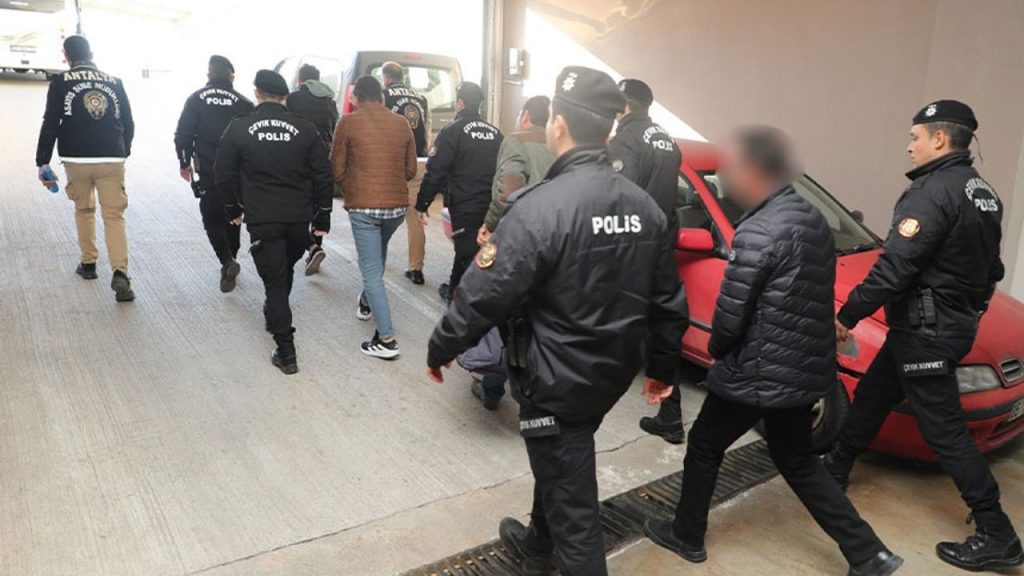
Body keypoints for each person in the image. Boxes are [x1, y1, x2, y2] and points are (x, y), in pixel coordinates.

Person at [426, 66, 688, 576]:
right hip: (610, 374)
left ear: (560, 126)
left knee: (576, 511)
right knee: (562, 456)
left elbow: (483, 294)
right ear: (607, 131)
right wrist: (662, 368)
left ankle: (554, 547)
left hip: (554, 379)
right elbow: (668, 300)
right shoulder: (645, 207)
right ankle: (538, 544)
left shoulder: (538, 208)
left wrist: (442, 348)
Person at [643, 126, 902, 576]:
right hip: (801, 370)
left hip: (756, 370)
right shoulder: (812, 219)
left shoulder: (759, 230)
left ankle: (687, 535)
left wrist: (719, 352)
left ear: (756, 171)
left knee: (704, 444)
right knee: (798, 459)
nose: (727, 182)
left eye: (732, 172)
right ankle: (870, 553)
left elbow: (731, 313)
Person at [828, 100, 1021, 572]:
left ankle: (997, 533)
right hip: (933, 326)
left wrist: (848, 314)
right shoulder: (982, 192)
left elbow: (895, 267)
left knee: (946, 432)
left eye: (915, 137)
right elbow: (991, 268)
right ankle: (835, 468)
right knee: (874, 394)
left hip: (926, 332)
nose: (909, 146)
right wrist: (966, 311)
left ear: (939, 138)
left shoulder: (931, 193)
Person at [215, 70, 333, 375]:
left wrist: (231, 209)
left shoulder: (239, 127)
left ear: (257, 93)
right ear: (285, 96)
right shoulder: (305, 128)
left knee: (276, 285)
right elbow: (323, 174)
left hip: (263, 219)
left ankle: (286, 351)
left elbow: (223, 173)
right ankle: (276, 314)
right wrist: (323, 214)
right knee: (282, 273)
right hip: (297, 221)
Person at [609, 78, 686, 445]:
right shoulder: (666, 139)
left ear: (624, 104)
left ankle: (592, 395)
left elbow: (620, 201)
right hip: (661, 244)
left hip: (634, 248)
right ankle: (670, 413)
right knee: (660, 327)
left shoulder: (626, 140)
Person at [469, 94, 555, 410]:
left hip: (520, 240)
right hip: (556, 242)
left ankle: (493, 388)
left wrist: (489, 224)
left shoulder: (517, 141)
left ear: (526, 115)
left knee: (504, 314)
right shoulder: (562, 146)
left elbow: (507, 191)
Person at [36, 35, 136, 302]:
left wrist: (42, 161)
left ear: (66, 56)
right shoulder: (114, 82)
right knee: (114, 215)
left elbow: (51, 123)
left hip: (76, 158)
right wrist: (122, 150)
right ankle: (120, 273)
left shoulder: (60, 82)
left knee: (84, 209)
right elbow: (128, 122)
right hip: (111, 157)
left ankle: (89, 263)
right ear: (91, 53)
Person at [330, 75, 417, 359]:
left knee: (370, 270)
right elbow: (410, 170)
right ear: (382, 97)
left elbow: (336, 168)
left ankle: (386, 340)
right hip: (396, 207)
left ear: (355, 98)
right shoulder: (401, 123)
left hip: (364, 208)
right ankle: (367, 303)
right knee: (377, 255)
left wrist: (351, 186)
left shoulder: (347, 122)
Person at [415, 82, 502, 304]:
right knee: (477, 250)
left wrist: (422, 204)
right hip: (493, 205)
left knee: (466, 252)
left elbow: (435, 171)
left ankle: (459, 300)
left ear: (460, 102)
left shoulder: (452, 131)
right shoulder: (496, 134)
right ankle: (457, 291)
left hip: (465, 204)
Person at [174, 55, 254, 293]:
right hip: (238, 171)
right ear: (232, 77)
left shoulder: (196, 99)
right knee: (233, 214)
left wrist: (184, 162)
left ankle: (227, 261)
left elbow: (183, 134)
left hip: (209, 168)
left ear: (209, 75)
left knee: (211, 217)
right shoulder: (244, 103)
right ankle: (230, 261)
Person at [286, 64, 340, 276]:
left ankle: (311, 247)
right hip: (322, 154)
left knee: (297, 204)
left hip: (297, 156)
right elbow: (334, 128)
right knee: (319, 203)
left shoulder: (293, 98)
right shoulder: (329, 100)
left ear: (301, 80)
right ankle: (315, 247)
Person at [381, 61, 431, 286]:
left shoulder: (383, 96)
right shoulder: (421, 98)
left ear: (385, 78)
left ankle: (377, 260)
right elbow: (426, 132)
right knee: (416, 218)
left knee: (378, 214)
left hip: (391, 162)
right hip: (418, 161)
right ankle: (416, 268)